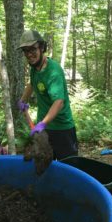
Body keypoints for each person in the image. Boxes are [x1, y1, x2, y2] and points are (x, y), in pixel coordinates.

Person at [17, 30, 78, 160]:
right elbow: (32, 83)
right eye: (26, 51)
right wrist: (23, 100)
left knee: (68, 168)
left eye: (32, 49)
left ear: (42, 47)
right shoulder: (35, 68)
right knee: (43, 166)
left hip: (62, 130)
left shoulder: (53, 71)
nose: (29, 54)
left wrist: (42, 124)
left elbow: (59, 102)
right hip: (44, 131)